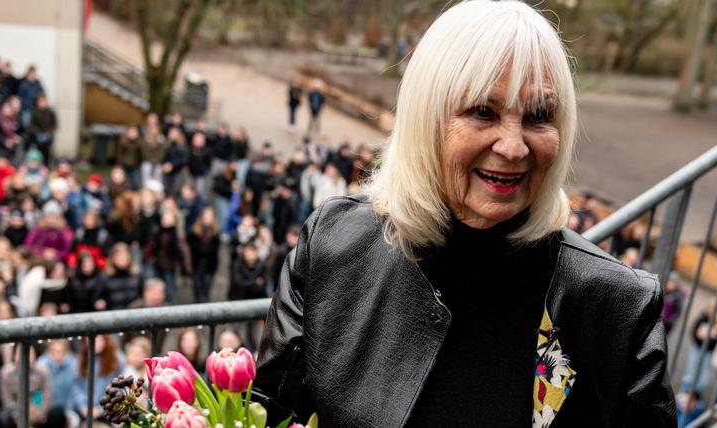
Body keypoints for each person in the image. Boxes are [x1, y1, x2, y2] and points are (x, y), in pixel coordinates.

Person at [253, 2, 674, 426]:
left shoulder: (616, 309)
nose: (514, 147)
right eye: (482, 112)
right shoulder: (334, 244)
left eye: (539, 116)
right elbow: (266, 414)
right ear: (426, 119)